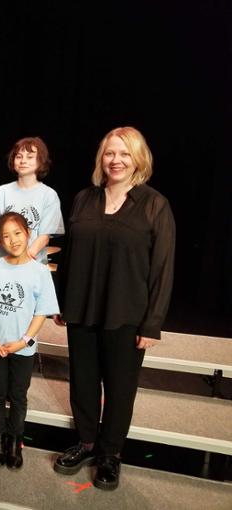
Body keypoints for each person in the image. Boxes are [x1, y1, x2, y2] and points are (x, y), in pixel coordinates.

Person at [53, 126, 175, 490]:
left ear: (138, 158)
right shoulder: (84, 199)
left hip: (127, 313)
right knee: (83, 382)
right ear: (101, 158)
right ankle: (87, 443)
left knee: (120, 388)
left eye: (124, 154)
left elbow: (163, 268)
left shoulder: (154, 204)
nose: (116, 160)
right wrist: (63, 302)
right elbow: (71, 256)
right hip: (83, 308)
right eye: (110, 153)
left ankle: (110, 454)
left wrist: (152, 323)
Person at [0, 212, 59, 469]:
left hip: (22, 348)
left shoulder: (40, 272)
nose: (13, 240)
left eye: (18, 233)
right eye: (6, 236)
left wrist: (24, 341)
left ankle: (15, 438)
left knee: (18, 395)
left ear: (28, 233)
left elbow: (41, 312)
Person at [0, 137, 64, 262]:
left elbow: (44, 236)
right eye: (19, 156)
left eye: (30, 157)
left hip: (33, 263)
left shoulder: (49, 195)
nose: (23, 161)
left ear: (40, 161)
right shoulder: (2, 192)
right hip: (4, 262)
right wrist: (12, 255)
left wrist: (25, 257)